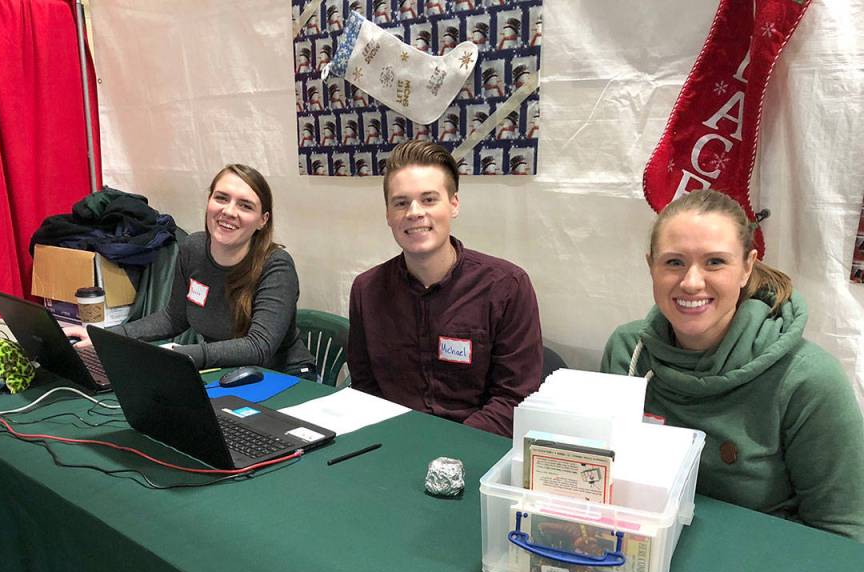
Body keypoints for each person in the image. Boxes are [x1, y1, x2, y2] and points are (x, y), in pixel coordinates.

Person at [601, 189, 864, 542]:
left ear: (746, 267)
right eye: (674, 262)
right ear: (651, 266)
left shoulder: (809, 380)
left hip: (760, 568)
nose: (692, 282)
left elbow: (843, 533)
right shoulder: (627, 350)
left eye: (715, 262)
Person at [347, 139, 543, 437]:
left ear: (453, 204)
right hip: (392, 443)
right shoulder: (366, 290)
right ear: (388, 214)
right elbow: (365, 386)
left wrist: (446, 448)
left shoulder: (507, 287)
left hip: (476, 446)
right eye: (401, 202)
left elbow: (514, 398)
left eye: (428, 199)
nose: (414, 212)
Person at [69, 165, 315, 377]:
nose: (229, 211)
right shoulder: (193, 248)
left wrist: (181, 356)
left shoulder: (276, 265)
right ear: (209, 201)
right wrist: (105, 337)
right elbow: (173, 318)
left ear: (263, 220)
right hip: (227, 373)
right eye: (221, 198)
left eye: (245, 206)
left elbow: (258, 347)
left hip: (284, 377)